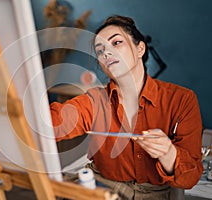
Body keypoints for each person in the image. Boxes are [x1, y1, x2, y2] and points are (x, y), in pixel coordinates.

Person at [50, 15, 203, 199]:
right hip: (101, 188)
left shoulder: (182, 100)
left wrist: (169, 153)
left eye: (116, 43)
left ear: (140, 49)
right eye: (100, 51)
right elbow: (53, 123)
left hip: (154, 194)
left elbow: (190, 178)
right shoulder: (94, 100)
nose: (106, 53)